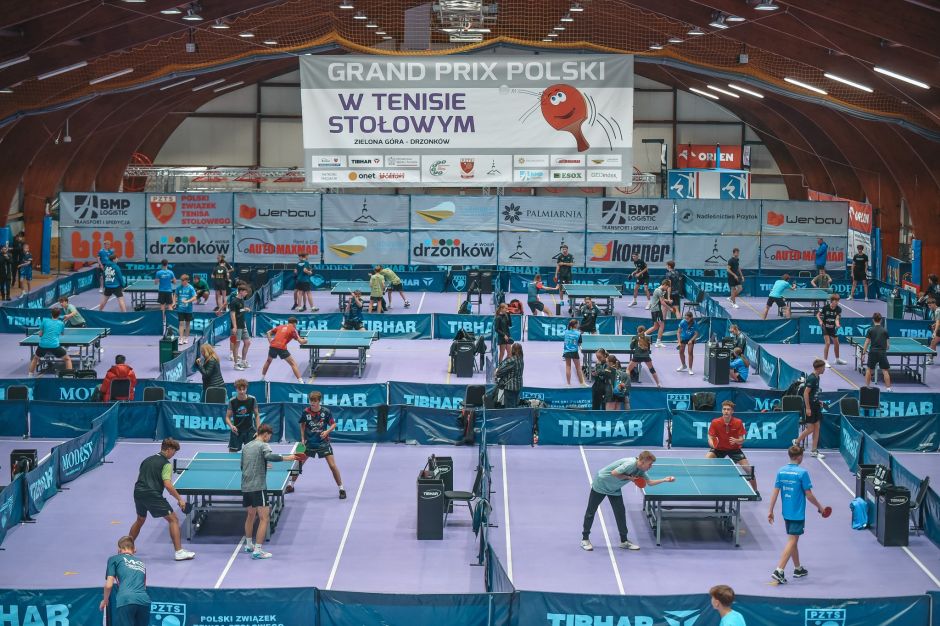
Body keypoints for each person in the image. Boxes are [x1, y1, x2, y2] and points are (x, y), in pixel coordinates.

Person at [580, 451, 675, 551]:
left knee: (620, 513)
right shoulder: (630, 464)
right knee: (591, 511)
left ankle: (624, 541)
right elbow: (614, 473)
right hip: (601, 484)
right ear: (643, 462)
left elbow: (650, 483)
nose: (651, 466)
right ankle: (585, 539)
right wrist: (629, 478)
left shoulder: (640, 470)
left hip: (614, 488)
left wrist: (665, 480)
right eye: (650, 464)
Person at [767, 445, 828, 584]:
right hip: (797, 513)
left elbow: (775, 492)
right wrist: (820, 507)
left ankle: (798, 568)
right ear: (800, 457)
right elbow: (809, 495)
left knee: (793, 539)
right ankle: (779, 570)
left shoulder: (781, 471)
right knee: (792, 540)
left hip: (786, 512)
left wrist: (770, 510)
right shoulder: (802, 473)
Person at [128, 438, 195, 561]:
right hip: (152, 494)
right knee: (173, 519)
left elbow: (142, 477)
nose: (174, 454)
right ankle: (179, 552)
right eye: (174, 451)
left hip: (138, 492)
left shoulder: (147, 460)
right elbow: (168, 485)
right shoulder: (166, 464)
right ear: (168, 449)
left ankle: (127, 549)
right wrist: (180, 499)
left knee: (140, 520)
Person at [241, 424, 298, 559]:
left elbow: (243, 466)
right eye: (269, 437)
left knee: (250, 515)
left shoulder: (247, 446)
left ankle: (249, 545)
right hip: (258, 487)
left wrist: (262, 464)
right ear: (265, 434)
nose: (269, 439)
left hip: (246, 486)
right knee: (264, 518)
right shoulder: (263, 445)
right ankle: (257, 551)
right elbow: (269, 456)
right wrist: (286, 458)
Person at [292, 390, 346, 498]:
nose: (312, 403)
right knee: (298, 464)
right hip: (309, 443)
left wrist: (327, 432)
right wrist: (302, 438)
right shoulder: (306, 412)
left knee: (332, 466)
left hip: (323, 443)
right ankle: (291, 485)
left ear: (319, 401)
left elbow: (333, 424)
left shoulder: (326, 411)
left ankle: (341, 488)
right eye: (311, 401)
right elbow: (302, 424)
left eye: (314, 401)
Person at [706, 401, 758, 493]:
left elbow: (742, 439)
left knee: (749, 470)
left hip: (734, 449)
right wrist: (711, 443)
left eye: (728, 409)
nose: (726, 411)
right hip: (719, 449)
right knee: (705, 461)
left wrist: (737, 440)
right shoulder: (715, 422)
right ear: (722, 410)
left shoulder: (738, 422)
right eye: (724, 409)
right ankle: (709, 487)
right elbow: (710, 436)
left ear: (732, 411)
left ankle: (755, 491)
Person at [100, 536, 150, 626]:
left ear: (119, 549)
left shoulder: (114, 559)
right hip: (144, 601)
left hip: (126, 600)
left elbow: (109, 585)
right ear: (135, 549)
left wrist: (105, 600)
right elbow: (144, 587)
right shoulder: (142, 563)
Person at [794, 359, 826, 457]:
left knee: (817, 427)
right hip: (810, 407)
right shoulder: (812, 378)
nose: (824, 369)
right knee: (811, 428)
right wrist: (808, 408)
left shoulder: (817, 377)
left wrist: (818, 401)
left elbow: (813, 393)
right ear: (819, 368)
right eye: (823, 367)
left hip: (816, 405)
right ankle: (797, 441)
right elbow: (806, 393)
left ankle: (814, 450)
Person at [261, 316, 307, 383]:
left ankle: (262, 378)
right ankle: (301, 382)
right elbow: (301, 342)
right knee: (293, 364)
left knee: (268, 361)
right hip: (281, 348)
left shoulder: (280, 326)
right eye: (296, 324)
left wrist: (271, 342)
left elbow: (268, 332)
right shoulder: (293, 329)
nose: (296, 326)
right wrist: (306, 340)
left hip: (273, 346)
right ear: (294, 323)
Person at [28, 308, 71, 377]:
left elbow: (40, 334)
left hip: (43, 345)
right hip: (54, 346)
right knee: (67, 359)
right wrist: (62, 323)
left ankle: (30, 375)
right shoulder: (61, 323)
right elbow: (62, 333)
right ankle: (69, 376)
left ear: (51, 314)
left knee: (35, 358)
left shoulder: (45, 321)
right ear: (59, 315)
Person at [860, 312, 892, 392]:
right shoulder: (885, 330)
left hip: (873, 352)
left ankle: (867, 387)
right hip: (882, 352)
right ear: (881, 320)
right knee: (885, 371)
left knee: (869, 369)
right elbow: (888, 346)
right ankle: (888, 389)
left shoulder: (870, 330)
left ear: (873, 320)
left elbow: (867, 342)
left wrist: (863, 354)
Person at [226, 378, 260, 453]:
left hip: (249, 430)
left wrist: (258, 430)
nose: (242, 391)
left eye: (243, 389)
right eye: (239, 389)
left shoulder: (252, 399)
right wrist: (231, 426)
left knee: (253, 452)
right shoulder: (232, 401)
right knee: (232, 452)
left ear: (246, 389)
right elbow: (227, 417)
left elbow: (257, 415)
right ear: (236, 389)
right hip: (236, 430)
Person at [817, 293, 847, 367]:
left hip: (832, 327)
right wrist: (820, 321)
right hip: (825, 327)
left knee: (837, 343)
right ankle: (825, 361)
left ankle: (837, 359)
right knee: (828, 343)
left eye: (838, 301)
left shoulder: (839, 309)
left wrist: (837, 324)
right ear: (832, 301)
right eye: (835, 301)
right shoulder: (825, 307)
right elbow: (817, 315)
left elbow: (837, 319)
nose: (837, 302)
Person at [493, 343, 524, 408]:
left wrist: (506, 359)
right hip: (518, 386)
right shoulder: (521, 359)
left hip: (510, 387)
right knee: (515, 405)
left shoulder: (511, 360)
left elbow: (499, 372)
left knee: (510, 408)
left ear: (513, 350)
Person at [229, 283, 252, 370]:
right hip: (237, 326)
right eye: (245, 292)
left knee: (247, 343)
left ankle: (243, 361)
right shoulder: (234, 301)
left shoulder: (242, 300)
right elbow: (232, 314)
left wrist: (245, 309)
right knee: (237, 345)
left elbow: (239, 310)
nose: (246, 294)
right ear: (241, 291)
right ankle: (236, 364)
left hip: (243, 325)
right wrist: (234, 327)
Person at [173, 274, 197, 345]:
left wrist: (187, 301)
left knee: (187, 324)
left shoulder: (191, 288)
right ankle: (181, 338)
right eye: (182, 280)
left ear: (187, 280)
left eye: (183, 280)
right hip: (180, 309)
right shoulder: (179, 288)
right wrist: (174, 302)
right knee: (181, 323)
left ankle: (186, 338)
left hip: (188, 309)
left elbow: (195, 297)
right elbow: (175, 295)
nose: (182, 282)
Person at [562, 319, 585, 386]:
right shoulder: (578, 333)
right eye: (578, 324)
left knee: (568, 367)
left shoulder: (566, 332)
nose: (578, 325)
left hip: (566, 351)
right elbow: (579, 344)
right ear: (575, 325)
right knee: (578, 368)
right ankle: (582, 383)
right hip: (574, 352)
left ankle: (568, 384)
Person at [154, 259, 176, 327]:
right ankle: (172, 320)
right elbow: (175, 282)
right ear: (167, 264)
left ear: (161, 264)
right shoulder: (171, 272)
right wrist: (170, 281)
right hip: (169, 291)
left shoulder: (158, 273)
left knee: (162, 306)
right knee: (170, 306)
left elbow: (156, 283)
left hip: (161, 291)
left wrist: (160, 280)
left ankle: (163, 321)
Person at [677, 311, 698, 375]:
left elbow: (696, 334)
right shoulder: (682, 322)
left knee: (690, 352)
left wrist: (691, 340)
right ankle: (683, 365)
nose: (686, 319)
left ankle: (690, 369)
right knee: (681, 352)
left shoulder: (695, 323)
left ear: (691, 317)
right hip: (683, 338)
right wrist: (679, 342)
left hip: (691, 338)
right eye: (685, 318)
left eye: (687, 318)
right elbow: (678, 332)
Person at [928, 299, 939, 365]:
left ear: (934, 304)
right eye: (928, 306)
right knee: (933, 342)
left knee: (933, 342)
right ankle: (931, 359)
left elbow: (938, 322)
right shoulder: (936, 310)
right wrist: (934, 324)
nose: (929, 307)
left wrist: (935, 332)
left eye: (930, 305)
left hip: (939, 330)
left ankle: (931, 359)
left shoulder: (937, 311)